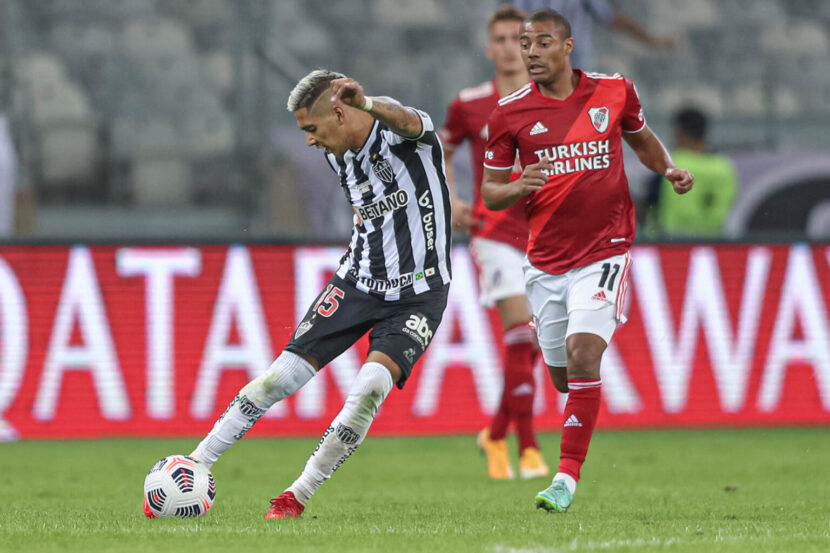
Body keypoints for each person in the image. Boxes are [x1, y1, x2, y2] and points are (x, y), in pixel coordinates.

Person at [187, 69, 452, 519]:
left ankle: (297, 495)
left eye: (311, 129)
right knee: (279, 378)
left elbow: (409, 120)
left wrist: (368, 105)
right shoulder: (339, 154)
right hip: (357, 283)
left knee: (368, 388)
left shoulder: (402, 133)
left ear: (339, 112)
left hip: (419, 295)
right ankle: (195, 463)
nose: (310, 141)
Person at [481, 9, 693, 512]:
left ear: (569, 47)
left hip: (607, 249)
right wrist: (516, 186)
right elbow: (491, 193)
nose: (530, 52)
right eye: (525, 44)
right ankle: (585, 391)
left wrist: (668, 170)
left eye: (542, 43)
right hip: (546, 262)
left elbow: (641, 140)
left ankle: (565, 478)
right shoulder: (508, 113)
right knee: (562, 375)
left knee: (582, 354)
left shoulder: (614, 90)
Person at [440, 4, 548, 481]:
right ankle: (528, 448)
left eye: (516, 40)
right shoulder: (471, 103)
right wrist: (452, 200)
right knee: (520, 334)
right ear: (489, 48)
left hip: (547, 232)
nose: (508, 48)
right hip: (495, 230)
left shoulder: (553, 101)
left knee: (542, 342)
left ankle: (495, 431)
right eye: (500, 40)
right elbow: (440, 151)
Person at [643, 107, 738, 238]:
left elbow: (650, 202)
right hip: (713, 244)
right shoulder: (725, 168)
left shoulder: (669, 165)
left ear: (678, 132)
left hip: (672, 244)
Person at [512, 0, 675, 71]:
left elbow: (612, 18)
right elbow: (511, 20)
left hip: (574, 68)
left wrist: (651, 40)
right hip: (534, 69)